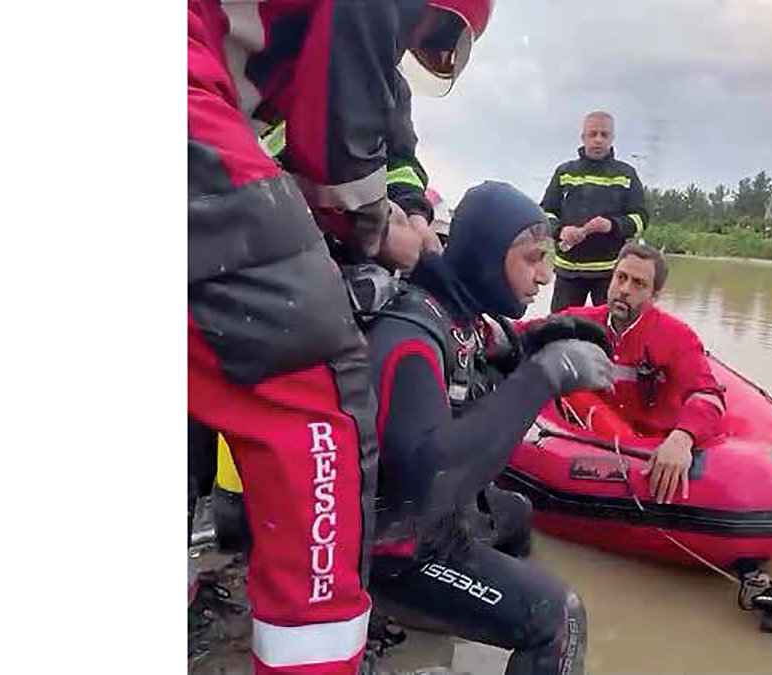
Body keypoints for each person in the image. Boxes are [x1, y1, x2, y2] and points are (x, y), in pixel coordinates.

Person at [187, 2, 495, 673]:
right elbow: (334, 148)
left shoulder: (331, 63)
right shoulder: (358, 36)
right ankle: (318, 652)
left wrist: (397, 209)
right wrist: (377, 227)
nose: (419, 46)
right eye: (436, 34)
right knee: (316, 392)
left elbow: (366, 138)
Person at [361, 181, 614, 675]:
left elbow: (491, 349)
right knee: (561, 616)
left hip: (430, 525)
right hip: (391, 548)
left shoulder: (458, 315)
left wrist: (543, 335)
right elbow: (432, 480)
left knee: (515, 513)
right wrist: (546, 376)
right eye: (531, 258)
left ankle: (478, 617)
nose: (544, 276)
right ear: (485, 255)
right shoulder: (409, 339)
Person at [554, 242, 726, 505]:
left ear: (655, 295)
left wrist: (683, 438)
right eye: (620, 278)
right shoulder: (578, 320)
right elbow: (523, 333)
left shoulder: (678, 337)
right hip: (597, 436)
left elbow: (708, 395)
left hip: (651, 445)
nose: (624, 290)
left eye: (638, 284)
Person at [541, 111, 649, 312]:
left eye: (604, 134)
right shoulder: (564, 172)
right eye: (593, 134)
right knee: (559, 330)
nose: (598, 139)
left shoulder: (626, 174)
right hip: (568, 274)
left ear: (612, 138)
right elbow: (545, 214)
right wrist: (560, 231)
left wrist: (612, 225)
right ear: (583, 138)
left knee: (609, 332)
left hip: (611, 275)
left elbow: (641, 219)